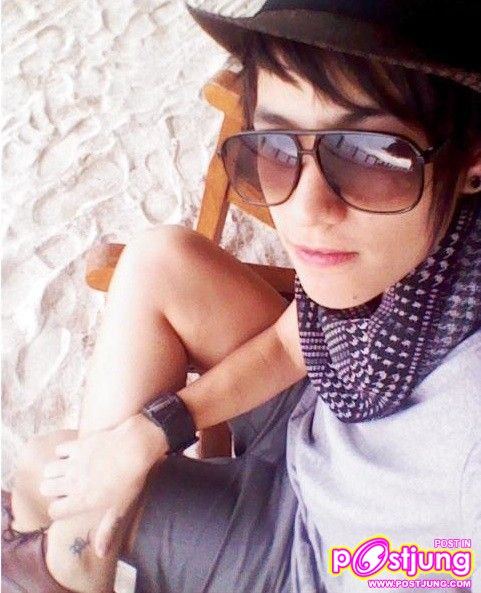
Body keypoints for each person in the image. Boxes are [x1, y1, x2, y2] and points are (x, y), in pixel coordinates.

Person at [2, 1, 481, 592]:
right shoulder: (433, 250)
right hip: (325, 416)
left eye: (373, 157)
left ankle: (69, 562)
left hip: (321, 557)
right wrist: (152, 432)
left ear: (471, 158)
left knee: (40, 475)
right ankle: (74, 561)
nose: (305, 209)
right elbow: (293, 342)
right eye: (278, 147)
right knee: (161, 259)